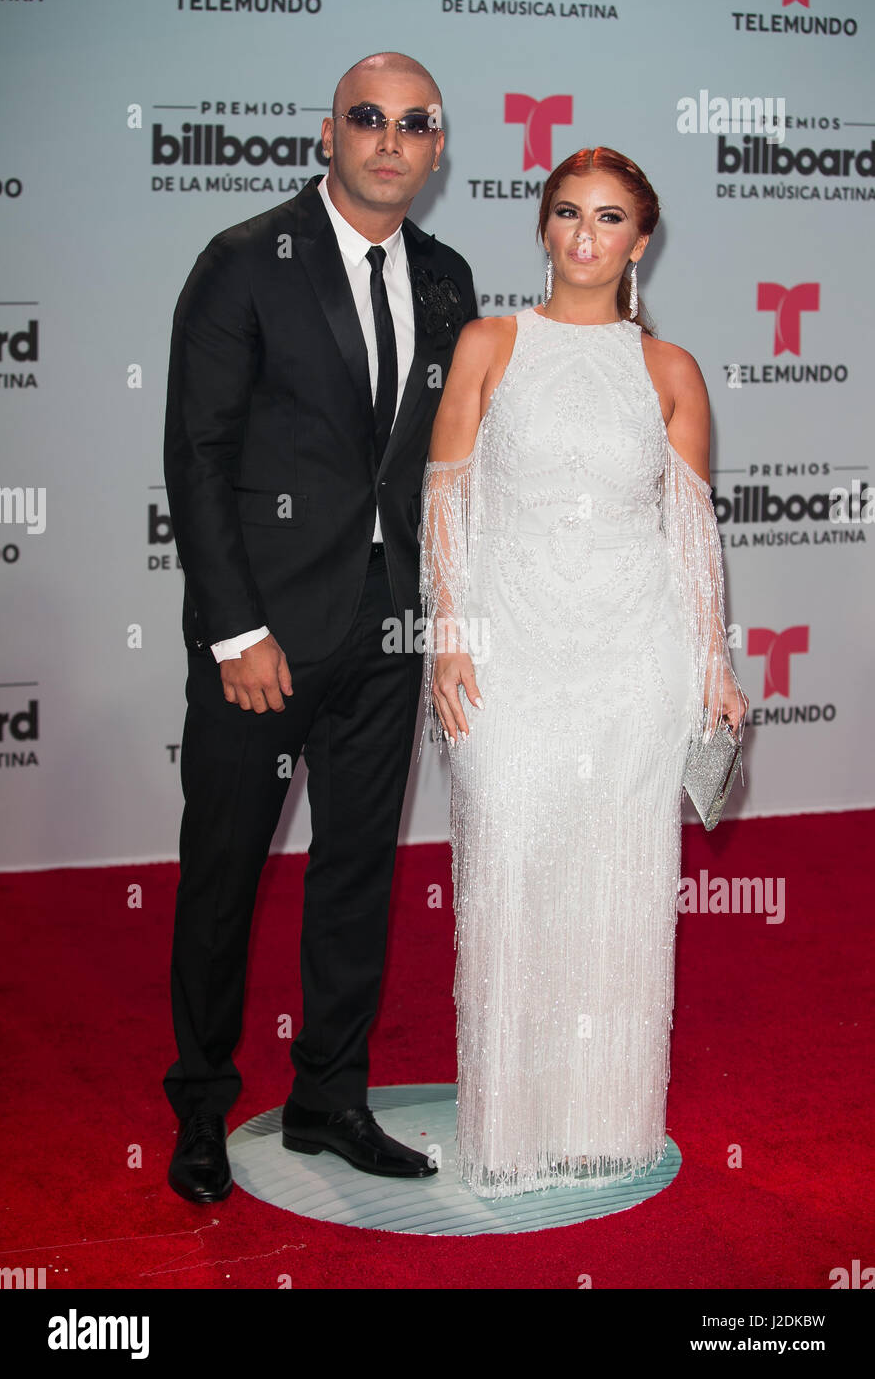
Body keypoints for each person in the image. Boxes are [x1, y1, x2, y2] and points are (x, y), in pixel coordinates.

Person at [162, 52, 476, 1203]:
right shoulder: (246, 261)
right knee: (223, 874)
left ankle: (328, 1096)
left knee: (357, 871)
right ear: (330, 132)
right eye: (369, 119)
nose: (391, 140)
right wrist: (232, 628)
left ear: (437, 149)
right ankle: (198, 1104)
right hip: (265, 639)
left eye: (415, 124)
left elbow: (445, 461)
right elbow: (196, 457)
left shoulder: (445, 276)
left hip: (389, 632)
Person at [419, 147, 748, 1199]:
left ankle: (599, 1119)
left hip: (631, 660)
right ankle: (508, 1128)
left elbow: (689, 533)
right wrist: (450, 634)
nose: (584, 235)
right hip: (509, 651)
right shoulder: (488, 343)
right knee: (512, 857)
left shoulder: (670, 371)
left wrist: (714, 662)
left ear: (638, 241)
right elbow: (445, 502)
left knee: (615, 884)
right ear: (543, 226)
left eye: (609, 218)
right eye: (567, 212)